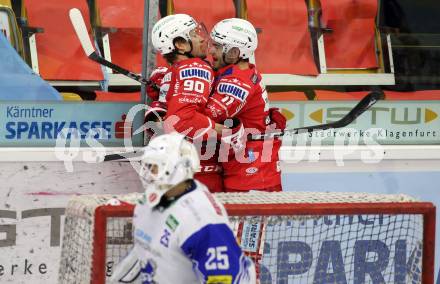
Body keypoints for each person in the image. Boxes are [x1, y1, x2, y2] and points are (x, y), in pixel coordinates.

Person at [110, 132, 256, 284]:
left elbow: (224, 278)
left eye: (154, 168)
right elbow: (143, 255)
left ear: (178, 168)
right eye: (146, 166)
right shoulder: (148, 203)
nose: (147, 174)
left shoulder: (201, 217)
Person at [203, 18, 286, 192]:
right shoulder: (240, 70)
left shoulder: (236, 82)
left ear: (233, 53)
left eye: (217, 46)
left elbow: (203, 119)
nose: (211, 50)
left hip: (252, 172)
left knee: (243, 218)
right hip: (249, 164)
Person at [147, 14, 225, 193]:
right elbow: (181, 122)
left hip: (176, 172)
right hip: (201, 174)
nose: (201, 38)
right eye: (194, 34)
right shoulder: (196, 67)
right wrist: (229, 131)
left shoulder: (174, 71)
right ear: (180, 45)